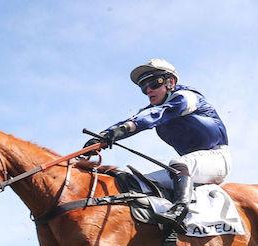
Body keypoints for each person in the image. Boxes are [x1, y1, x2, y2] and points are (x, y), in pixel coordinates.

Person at [83, 58, 230, 230]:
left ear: (170, 82)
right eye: (143, 88)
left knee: (178, 163)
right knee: (139, 184)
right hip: (190, 169)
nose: (148, 91)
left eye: (153, 83)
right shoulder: (150, 110)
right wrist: (102, 137)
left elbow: (156, 115)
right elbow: (133, 121)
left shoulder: (187, 97)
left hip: (217, 159)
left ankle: (180, 211)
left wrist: (122, 130)